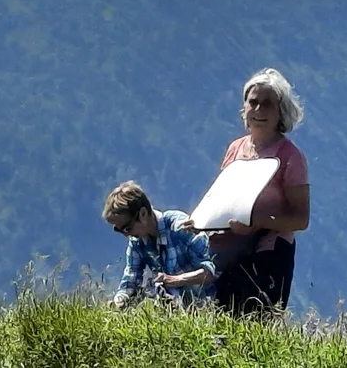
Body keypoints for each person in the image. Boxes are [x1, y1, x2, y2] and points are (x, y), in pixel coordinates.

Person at [183, 67, 311, 317]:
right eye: (253, 102)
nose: (259, 110)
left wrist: (256, 223)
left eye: (267, 104)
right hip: (230, 252)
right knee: (223, 324)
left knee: (256, 324)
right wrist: (201, 222)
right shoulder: (235, 149)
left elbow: (301, 219)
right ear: (245, 107)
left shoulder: (290, 157)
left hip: (270, 254)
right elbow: (222, 199)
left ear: (280, 111)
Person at [102, 180, 219, 309]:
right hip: (174, 311)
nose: (125, 234)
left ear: (143, 214)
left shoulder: (180, 227)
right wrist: (119, 301)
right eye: (118, 230)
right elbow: (131, 279)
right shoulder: (137, 241)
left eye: (127, 228)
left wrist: (175, 280)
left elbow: (209, 273)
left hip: (206, 305)